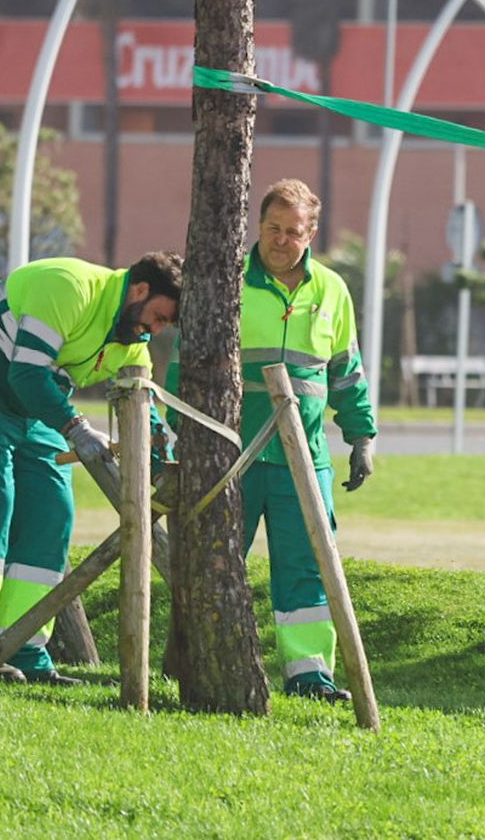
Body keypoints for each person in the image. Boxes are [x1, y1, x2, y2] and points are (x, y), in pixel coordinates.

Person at [0, 251, 182, 684]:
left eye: (163, 326)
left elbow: (144, 410)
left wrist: (158, 464)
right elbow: (27, 374)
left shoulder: (132, 342)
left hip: (29, 406)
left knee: (52, 512)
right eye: (157, 317)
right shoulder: (68, 286)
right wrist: (77, 427)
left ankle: (22, 646)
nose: (153, 331)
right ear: (139, 290)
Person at [168, 179, 377, 702]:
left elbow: (346, 372)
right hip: (229, 456)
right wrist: (175, 435)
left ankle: (309, 676)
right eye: (271, 229)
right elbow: (182, 368)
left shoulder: (331, 290)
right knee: (213, 564)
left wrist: (362, 436)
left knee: (307, 569)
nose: (280, 241)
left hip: (302, 458)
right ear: (256, 226)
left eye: (292, 232)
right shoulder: (226, 280)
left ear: (311, 234)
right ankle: (189, 662)